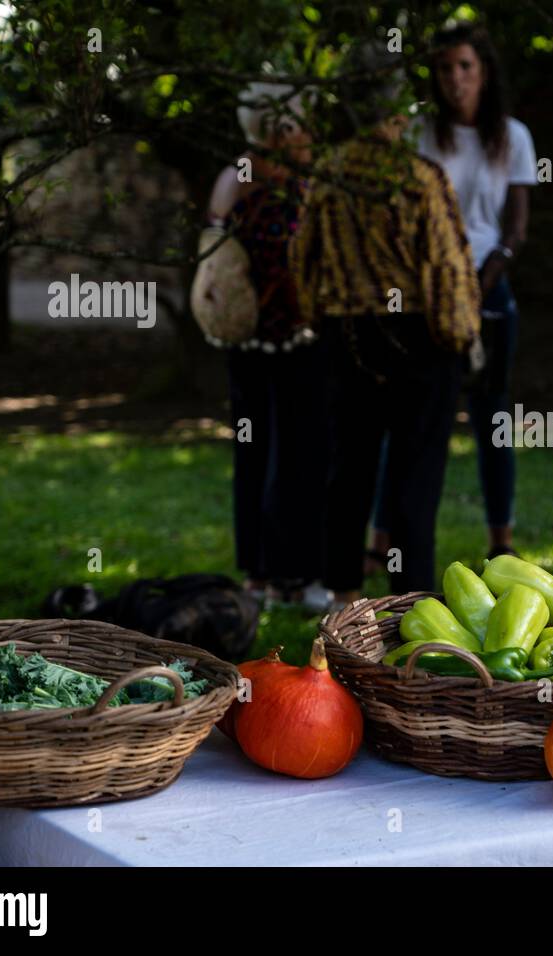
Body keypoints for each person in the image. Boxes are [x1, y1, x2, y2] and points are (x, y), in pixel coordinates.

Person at [290, 42, 480, 606]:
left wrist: (320, 317)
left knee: (348, 474)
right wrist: (459, 339)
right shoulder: (419, 177)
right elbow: (448, 269)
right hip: (419, 338)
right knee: (414, 482)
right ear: (399, 108)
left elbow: (303, 262)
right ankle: (409, 609)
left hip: (347, 338)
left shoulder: (327, 174)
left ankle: (344, 601)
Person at [368, 24, 536, 568]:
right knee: (408, 421)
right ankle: (383, 534)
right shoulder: (418, 133)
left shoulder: (512, 136)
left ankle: (500, 537)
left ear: (483, 71)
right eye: (444, 69)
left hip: (487, 290)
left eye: (465, 66)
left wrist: (487, 274)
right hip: (426, 299)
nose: (456, 78)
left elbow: (516, 225)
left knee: (493, 419)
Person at [205, 81, 331, 612]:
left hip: (248, 341)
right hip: (289, 339)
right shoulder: (285, 184)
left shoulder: (233, 178)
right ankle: (289, 577)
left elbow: (212, 252)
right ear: (283, 129)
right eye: (302, 124)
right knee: (294, 455)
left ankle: (262, 574)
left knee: (260, 452)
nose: (310, 135)